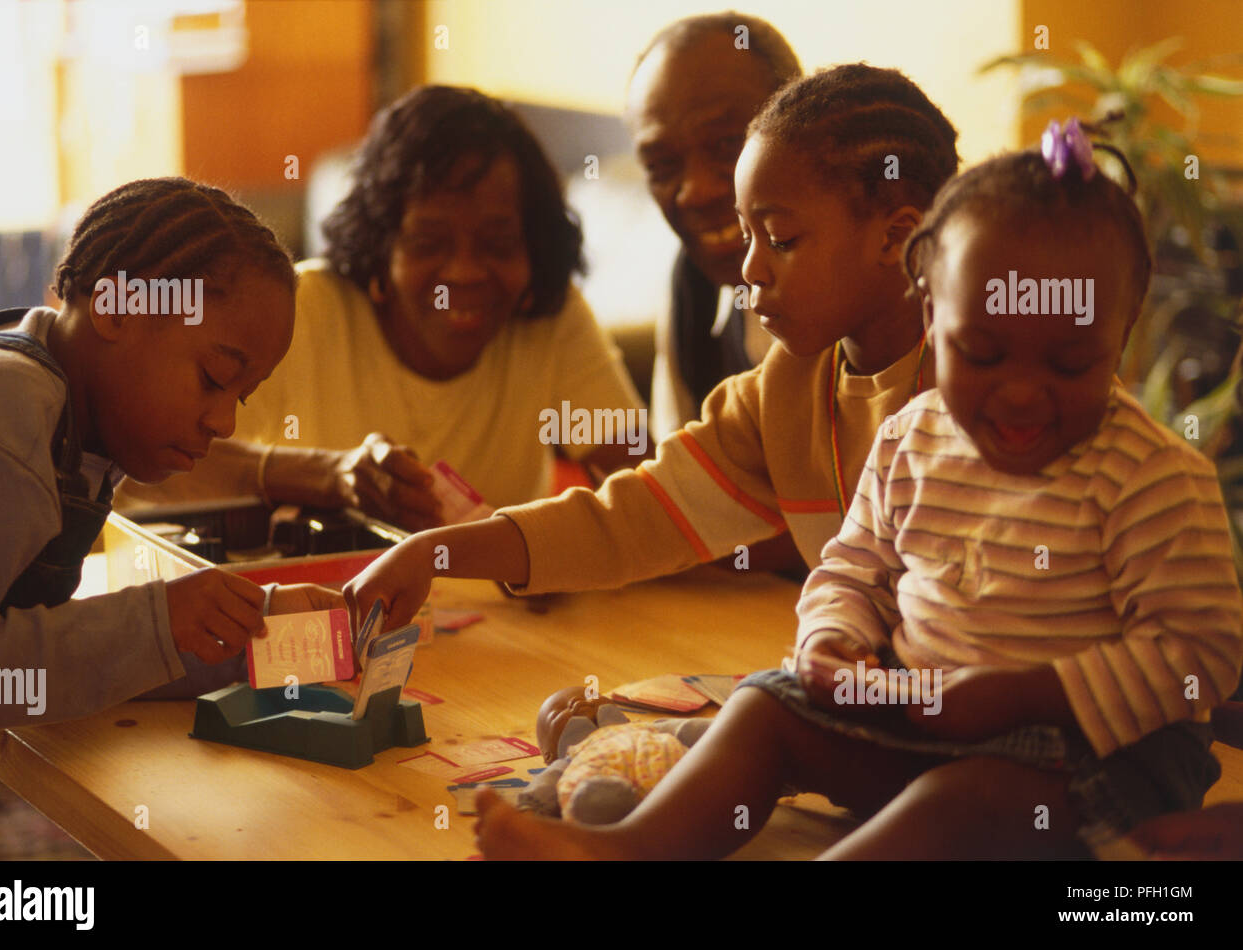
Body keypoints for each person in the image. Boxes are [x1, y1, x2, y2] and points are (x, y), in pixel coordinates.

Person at [469, 123, 1243, 860]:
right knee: (764, 706)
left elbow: (1201, 653)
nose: (1019, 394)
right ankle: (625, 851)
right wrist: (832, 643)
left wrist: (1025, 695)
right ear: (933, 313)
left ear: (1124, 327)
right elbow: (854, 566)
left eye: (1070, 364)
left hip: (1088, 771)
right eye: (982, 352)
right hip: (923, 727)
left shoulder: (1153, 475)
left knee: (956, 805)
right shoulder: (915, 436)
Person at [344, 65, 958, 635]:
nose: (750, 270)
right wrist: (433, 551)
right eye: (748, 237)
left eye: (780, 238)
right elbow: (626, 519)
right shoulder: (782, 393)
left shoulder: (984, 380)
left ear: (897, 237)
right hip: (860, 681)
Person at [118, 86, 648, 529]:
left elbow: (648, 488)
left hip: (502, 627)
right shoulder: (304, 313)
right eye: (429, 242)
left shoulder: (548, 320)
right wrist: (325, 476)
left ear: (534, 248)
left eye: (498, 242)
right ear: (381, 245)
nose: (464, 272)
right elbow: (136, 464)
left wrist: (558, 551)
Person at [0, 178, 343, 735]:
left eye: (240, 396)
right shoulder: (2, 410)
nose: (224, 422)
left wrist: (239, 635)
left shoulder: (78, 429)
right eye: (213, 378)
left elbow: (37, 648)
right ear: (115, 308)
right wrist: (157, 621)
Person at [630, 12, 803, 573]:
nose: (697, 190)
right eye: (662, 164)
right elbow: (681, 494)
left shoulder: (886, 290)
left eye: (728, 143)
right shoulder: (692, 288)